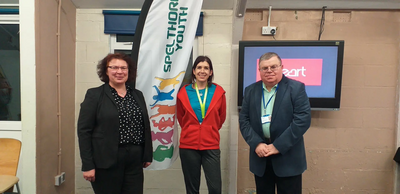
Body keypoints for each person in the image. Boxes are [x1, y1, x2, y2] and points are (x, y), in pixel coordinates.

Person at [77, 53, 152, 194]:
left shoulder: (137, 95)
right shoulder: (94, 95)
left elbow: (144, 126)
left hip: (134, 161)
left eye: (124, 68)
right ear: (106, 71)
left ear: (129, 71)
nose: (119, 72)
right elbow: (84, 131)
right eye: (114, 67)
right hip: (105, 161)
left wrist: (147, 154)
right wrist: (87, 165)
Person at [239, 52, 311, 194]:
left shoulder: (296, 88)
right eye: (265, 68)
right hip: (261, 157)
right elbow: (244, 120)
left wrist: (278, 146)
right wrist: (257, 144)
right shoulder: (250, 91)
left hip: (288, 158)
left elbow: (302, 120)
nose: (269, 71)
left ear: (281, 67)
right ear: (259, 71)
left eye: (273, 66)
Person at [176, 56, 226, 194]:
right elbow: (181, 117)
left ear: (210, 72)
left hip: (211, 144)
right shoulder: (183, 93)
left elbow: (221, 118)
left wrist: (208, 129)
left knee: (215, 188)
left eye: (206, 68)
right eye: (199, 67)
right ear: (193, 71)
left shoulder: (219, 92)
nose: (202, 71)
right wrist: (192, 129)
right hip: (188, 145)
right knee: (192, 189)